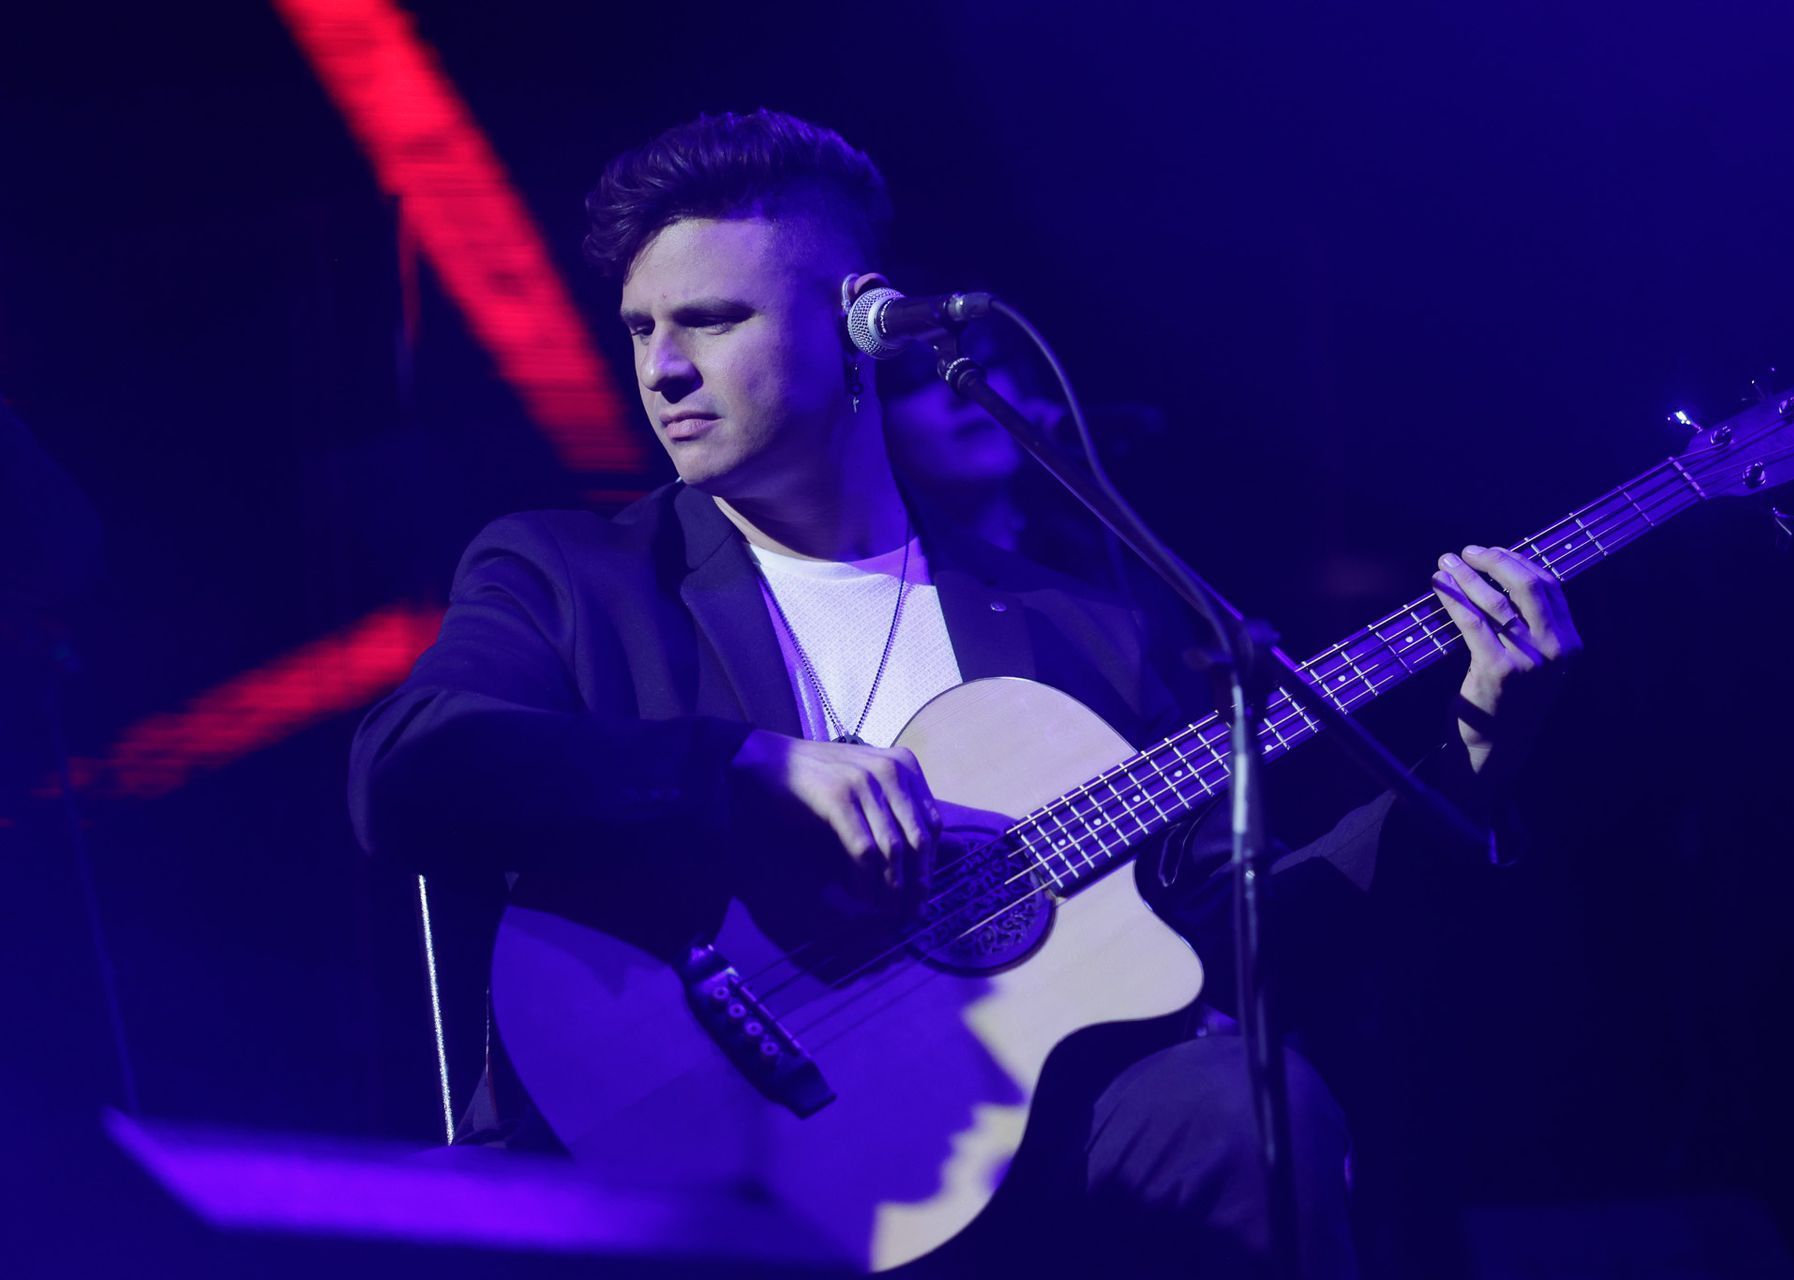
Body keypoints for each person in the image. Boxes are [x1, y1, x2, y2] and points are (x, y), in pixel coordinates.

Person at [348, 109, 1582, 1278]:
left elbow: (1245, 929)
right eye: (638, 328)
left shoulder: (1080, 625)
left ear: (853, 331)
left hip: (1012, 1164)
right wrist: (739, 764)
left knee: (1250, 1108)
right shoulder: (574, 573)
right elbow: (409, 769)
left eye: (712, 321)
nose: (662, 369)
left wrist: (1477, 751)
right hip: (682, 1156)